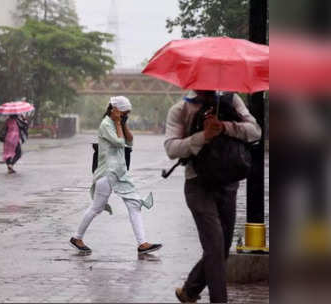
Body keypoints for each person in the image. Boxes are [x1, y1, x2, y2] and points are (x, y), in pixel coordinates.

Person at [165, 90, 261, 303]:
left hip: (228, 183)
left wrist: (225, 127)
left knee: (221, 248)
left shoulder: (232, 101)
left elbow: (255, 131)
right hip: (198, 185)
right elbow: (171, 148)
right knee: (215, 247)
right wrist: (203, 136)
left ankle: (190, 290)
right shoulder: (180, 109)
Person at [70, 96, 162, 254]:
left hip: (119, 172)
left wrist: (123, 123)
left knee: (134, 205)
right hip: (107, 173)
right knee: (96, 208)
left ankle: (142, 244)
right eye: (125, 113)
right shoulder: (106, 124)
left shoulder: (117, 124)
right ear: (116, 110)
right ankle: (77, 238)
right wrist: (118, 123)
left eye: (128, 114)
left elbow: (130, 141)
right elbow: (119, 142)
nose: (126, 116)